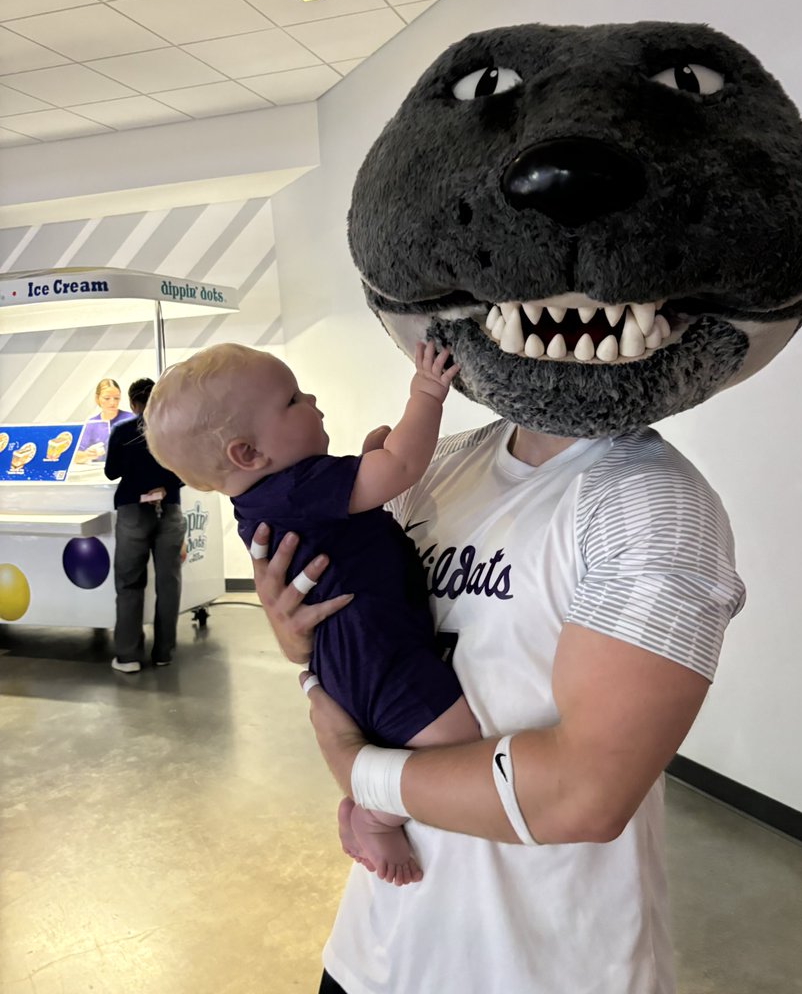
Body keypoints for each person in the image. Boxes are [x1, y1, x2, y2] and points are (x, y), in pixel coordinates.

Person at [252, 415, 745, 994]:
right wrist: (298, 636)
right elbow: (367, 635)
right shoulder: (437, 463)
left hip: (543, 962)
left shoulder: (654, 502)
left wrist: (362, 775)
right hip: (380, 944)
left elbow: (586, 797)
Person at [143, 341, 482, 885]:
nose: (313, 399)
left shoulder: (271, 496)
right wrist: (426, 393)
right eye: (293, 399)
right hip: (375, 652)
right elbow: (400, 467)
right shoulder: (299, 491)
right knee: (457, 750)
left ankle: (364, 808)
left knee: (421, 744)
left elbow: (367, 493)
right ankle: (375, 813)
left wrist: (370, 462)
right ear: (248, 453)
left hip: (353, 650)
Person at [104, 378, 184, 673]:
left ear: (133, 404)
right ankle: (164, 652)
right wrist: (162, 486)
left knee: (129, 583)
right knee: (169, 583)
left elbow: (111, 471)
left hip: (132, 511)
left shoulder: (122, 431)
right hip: (170, 510)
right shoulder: (175, 431)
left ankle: (128, 657)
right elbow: (187, 472)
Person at [73, 378, 134, 465]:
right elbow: (75, 456)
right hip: (100, 474)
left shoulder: (131, 419)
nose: (112, 402)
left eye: (116, 398)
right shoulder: (92, 424)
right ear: (97, 398)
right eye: (107, 398)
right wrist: (87, 455)